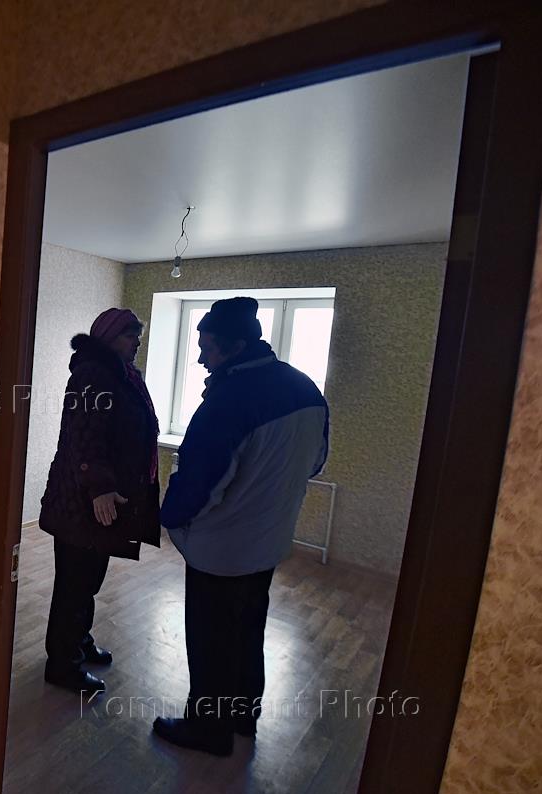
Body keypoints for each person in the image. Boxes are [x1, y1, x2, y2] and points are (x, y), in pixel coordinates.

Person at [152, 296, 329, 756]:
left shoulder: (230, 401)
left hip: (222, 550)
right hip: (269, 543)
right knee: (248, 631)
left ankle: (207, 731)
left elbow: (200, 484)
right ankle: (242, 718)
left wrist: (168, 517)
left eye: (206, 347)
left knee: (211, 641)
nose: (199, 358)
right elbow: (315, 462)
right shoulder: (306, 389)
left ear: (234, 346)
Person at [38, 307, 161, 694]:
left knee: (88, 579)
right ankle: (63, 665)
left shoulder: (119, 373)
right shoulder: (94, 373)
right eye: (129, 335)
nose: (136, 342)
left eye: (138, 336)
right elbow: (84, 435)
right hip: (84, 500)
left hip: (96, 501)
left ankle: (79, 641)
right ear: (108, 338)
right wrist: (100, 487)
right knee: (74, 584)